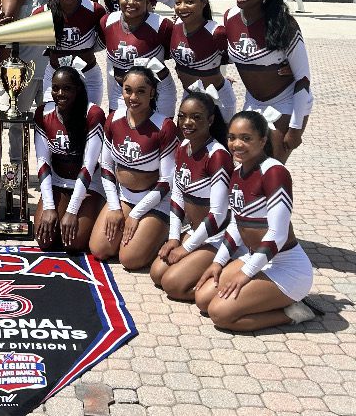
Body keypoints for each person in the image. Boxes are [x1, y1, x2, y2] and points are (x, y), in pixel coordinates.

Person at [194, 110, 316, 330]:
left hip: (288, 269)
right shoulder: (238, 173)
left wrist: (244, 274)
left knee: (219, 314)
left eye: (246, 138)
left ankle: (292, 313)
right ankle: (263, 299)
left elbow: (277, 235)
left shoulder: (275, 172)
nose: (237, 144)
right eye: (232, 137)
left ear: (263, 140)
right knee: (203, 300)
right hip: (256, 259)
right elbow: (236, 225)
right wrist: (218, 262)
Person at [89, 63, 178, 270]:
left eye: (141, 91)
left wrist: (137, 215)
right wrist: (114, 206)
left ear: (152, 93)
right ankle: (141, 234)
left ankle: (161, 231)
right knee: (99, 250)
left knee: (129, 260)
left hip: (156, 202)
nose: (133, 97)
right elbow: (106, 166)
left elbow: (167, 182)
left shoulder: (164, 126)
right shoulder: (114, 119)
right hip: (124, 197)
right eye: (128, 90)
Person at [224, 0, 313, 163]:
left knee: (271, 167)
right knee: (246, 165)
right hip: (252, 102)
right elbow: (224, 51)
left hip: (283, 103)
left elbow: (303, 79)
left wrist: (296, 128)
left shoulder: (284, 24)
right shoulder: (230, 17)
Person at [150, 91, 233, 300]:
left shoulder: (218, 155)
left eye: (196, 117)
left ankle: (225, 271)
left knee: (172, 285)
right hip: (197, 231)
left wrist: (186, 247)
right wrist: (174, 238)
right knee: (157, 274)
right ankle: (197, 268)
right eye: (182, 115)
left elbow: (218, 216)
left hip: (218, 237)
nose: (187, 122)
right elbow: (177, 196)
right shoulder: (183, 147)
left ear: (211, 120)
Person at [33, 64, 105, 252]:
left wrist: (72, 211)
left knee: (72, 244)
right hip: (59, 181)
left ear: (78, 89)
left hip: (88, 186)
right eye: (55, 87)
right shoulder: (43, 113)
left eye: (67, 88)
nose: (60, 93)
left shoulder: (93, 114)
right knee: (45, 240)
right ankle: (63, 210)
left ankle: (94, 210)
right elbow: (43, 164)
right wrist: (49, 206)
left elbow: (88, 166)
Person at [99, 0, 176, 116]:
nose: (131, 3)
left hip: (158, 90)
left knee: (159, 132)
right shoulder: (107, 21)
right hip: (120, 90)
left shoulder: (162, 25)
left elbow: (170, 53)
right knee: (119, 130)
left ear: (148, 2)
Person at [5, 0, 53, 164]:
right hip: (23, 71)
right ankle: (16, 168)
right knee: (17, 123)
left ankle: (50, 168)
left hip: (51, 72)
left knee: (51, 123)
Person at [32, 0, 105, 104]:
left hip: (89, 76)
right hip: (55, 76)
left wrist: (85, 49)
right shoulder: (41, 13)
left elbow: (103, 41)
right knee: (53, 121)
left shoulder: (95, 10)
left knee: (89, 120)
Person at [171, 0, 236, 122]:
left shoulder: (217, 32)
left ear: (204, 2)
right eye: (178, 2)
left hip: (218, 98)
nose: (182, 7)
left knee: (222, 141)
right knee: (187, 141)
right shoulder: (175, 26)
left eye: (189, 2)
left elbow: (239, 58)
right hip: (189, 96)